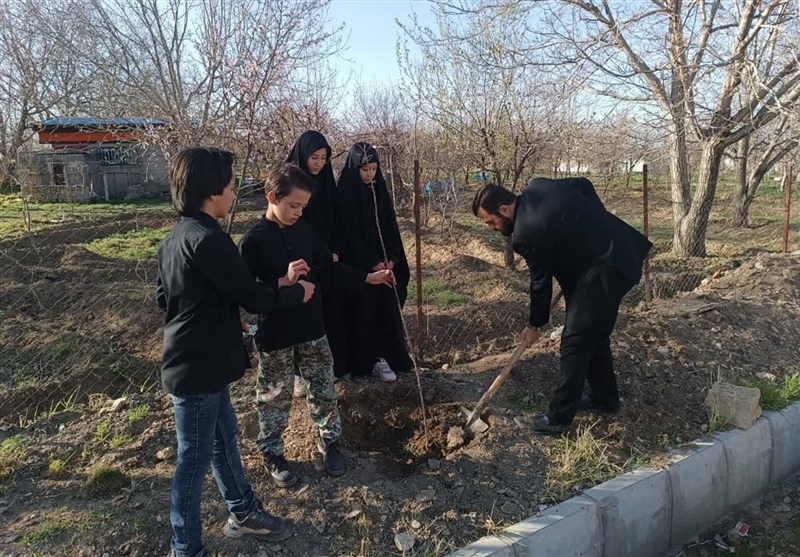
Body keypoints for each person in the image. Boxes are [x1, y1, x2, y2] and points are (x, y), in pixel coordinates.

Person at [155, 147, 315, 556]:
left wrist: (224, 316)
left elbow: (168, 298)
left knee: (224, 441)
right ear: (212, 192)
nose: (234, 192)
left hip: (198, 362)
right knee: (192, 463)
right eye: (230, 186)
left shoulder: (175, 239)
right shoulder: (211, 240)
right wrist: (295, 292)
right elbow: (251, 297)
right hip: (198, 367)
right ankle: (185, 548)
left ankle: (244, 512)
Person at [239, 163, 394, 487]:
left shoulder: (306, 233)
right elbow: (248, 294)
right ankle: (272, 452)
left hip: (312, 329)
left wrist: (368, 278)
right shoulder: (253, 242)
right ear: (272, 197)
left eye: (303, 207)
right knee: (274, 395)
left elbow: (329, 271)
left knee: (323, 388)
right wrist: (283, 282)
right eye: (293, 205)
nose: (299, 212)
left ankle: (330, 441)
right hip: (276, 335)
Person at [472, 177, 652, 436]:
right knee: (594, 335)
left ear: (504, 209)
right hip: (617, 256)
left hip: (603, 270)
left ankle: (557, 419)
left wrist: (535, 325)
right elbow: (584, 184)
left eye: (490, 221)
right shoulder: (538, 186)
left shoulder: (525, 233)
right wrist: (596, 224)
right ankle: (605, 399)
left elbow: (540, 283)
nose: (491, 228)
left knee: (575, 341)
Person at [335, 142, 413, 381]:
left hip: (385, 264)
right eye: (365, 169)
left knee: (387, 308)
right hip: (359, 267)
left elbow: (390, 228)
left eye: (374, 169)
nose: (370, 174)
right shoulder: (345, 194)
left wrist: (391, 258)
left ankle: (384, 357)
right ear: (354, 168)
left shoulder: (379, 191)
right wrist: (370, 261)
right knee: (363, 312)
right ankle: (362, 361)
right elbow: (346, 234)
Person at [285, 130, 348, 386]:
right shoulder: (289, 183)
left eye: (324, 158)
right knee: (300, 313)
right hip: (297, 260)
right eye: (314, 157)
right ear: (303, 156)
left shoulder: (327, 185)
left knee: (328, 312)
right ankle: (299, 374)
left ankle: (330, 366)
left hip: (326, 260)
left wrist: (335, 250)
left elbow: (337, 221)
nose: (319, 163)